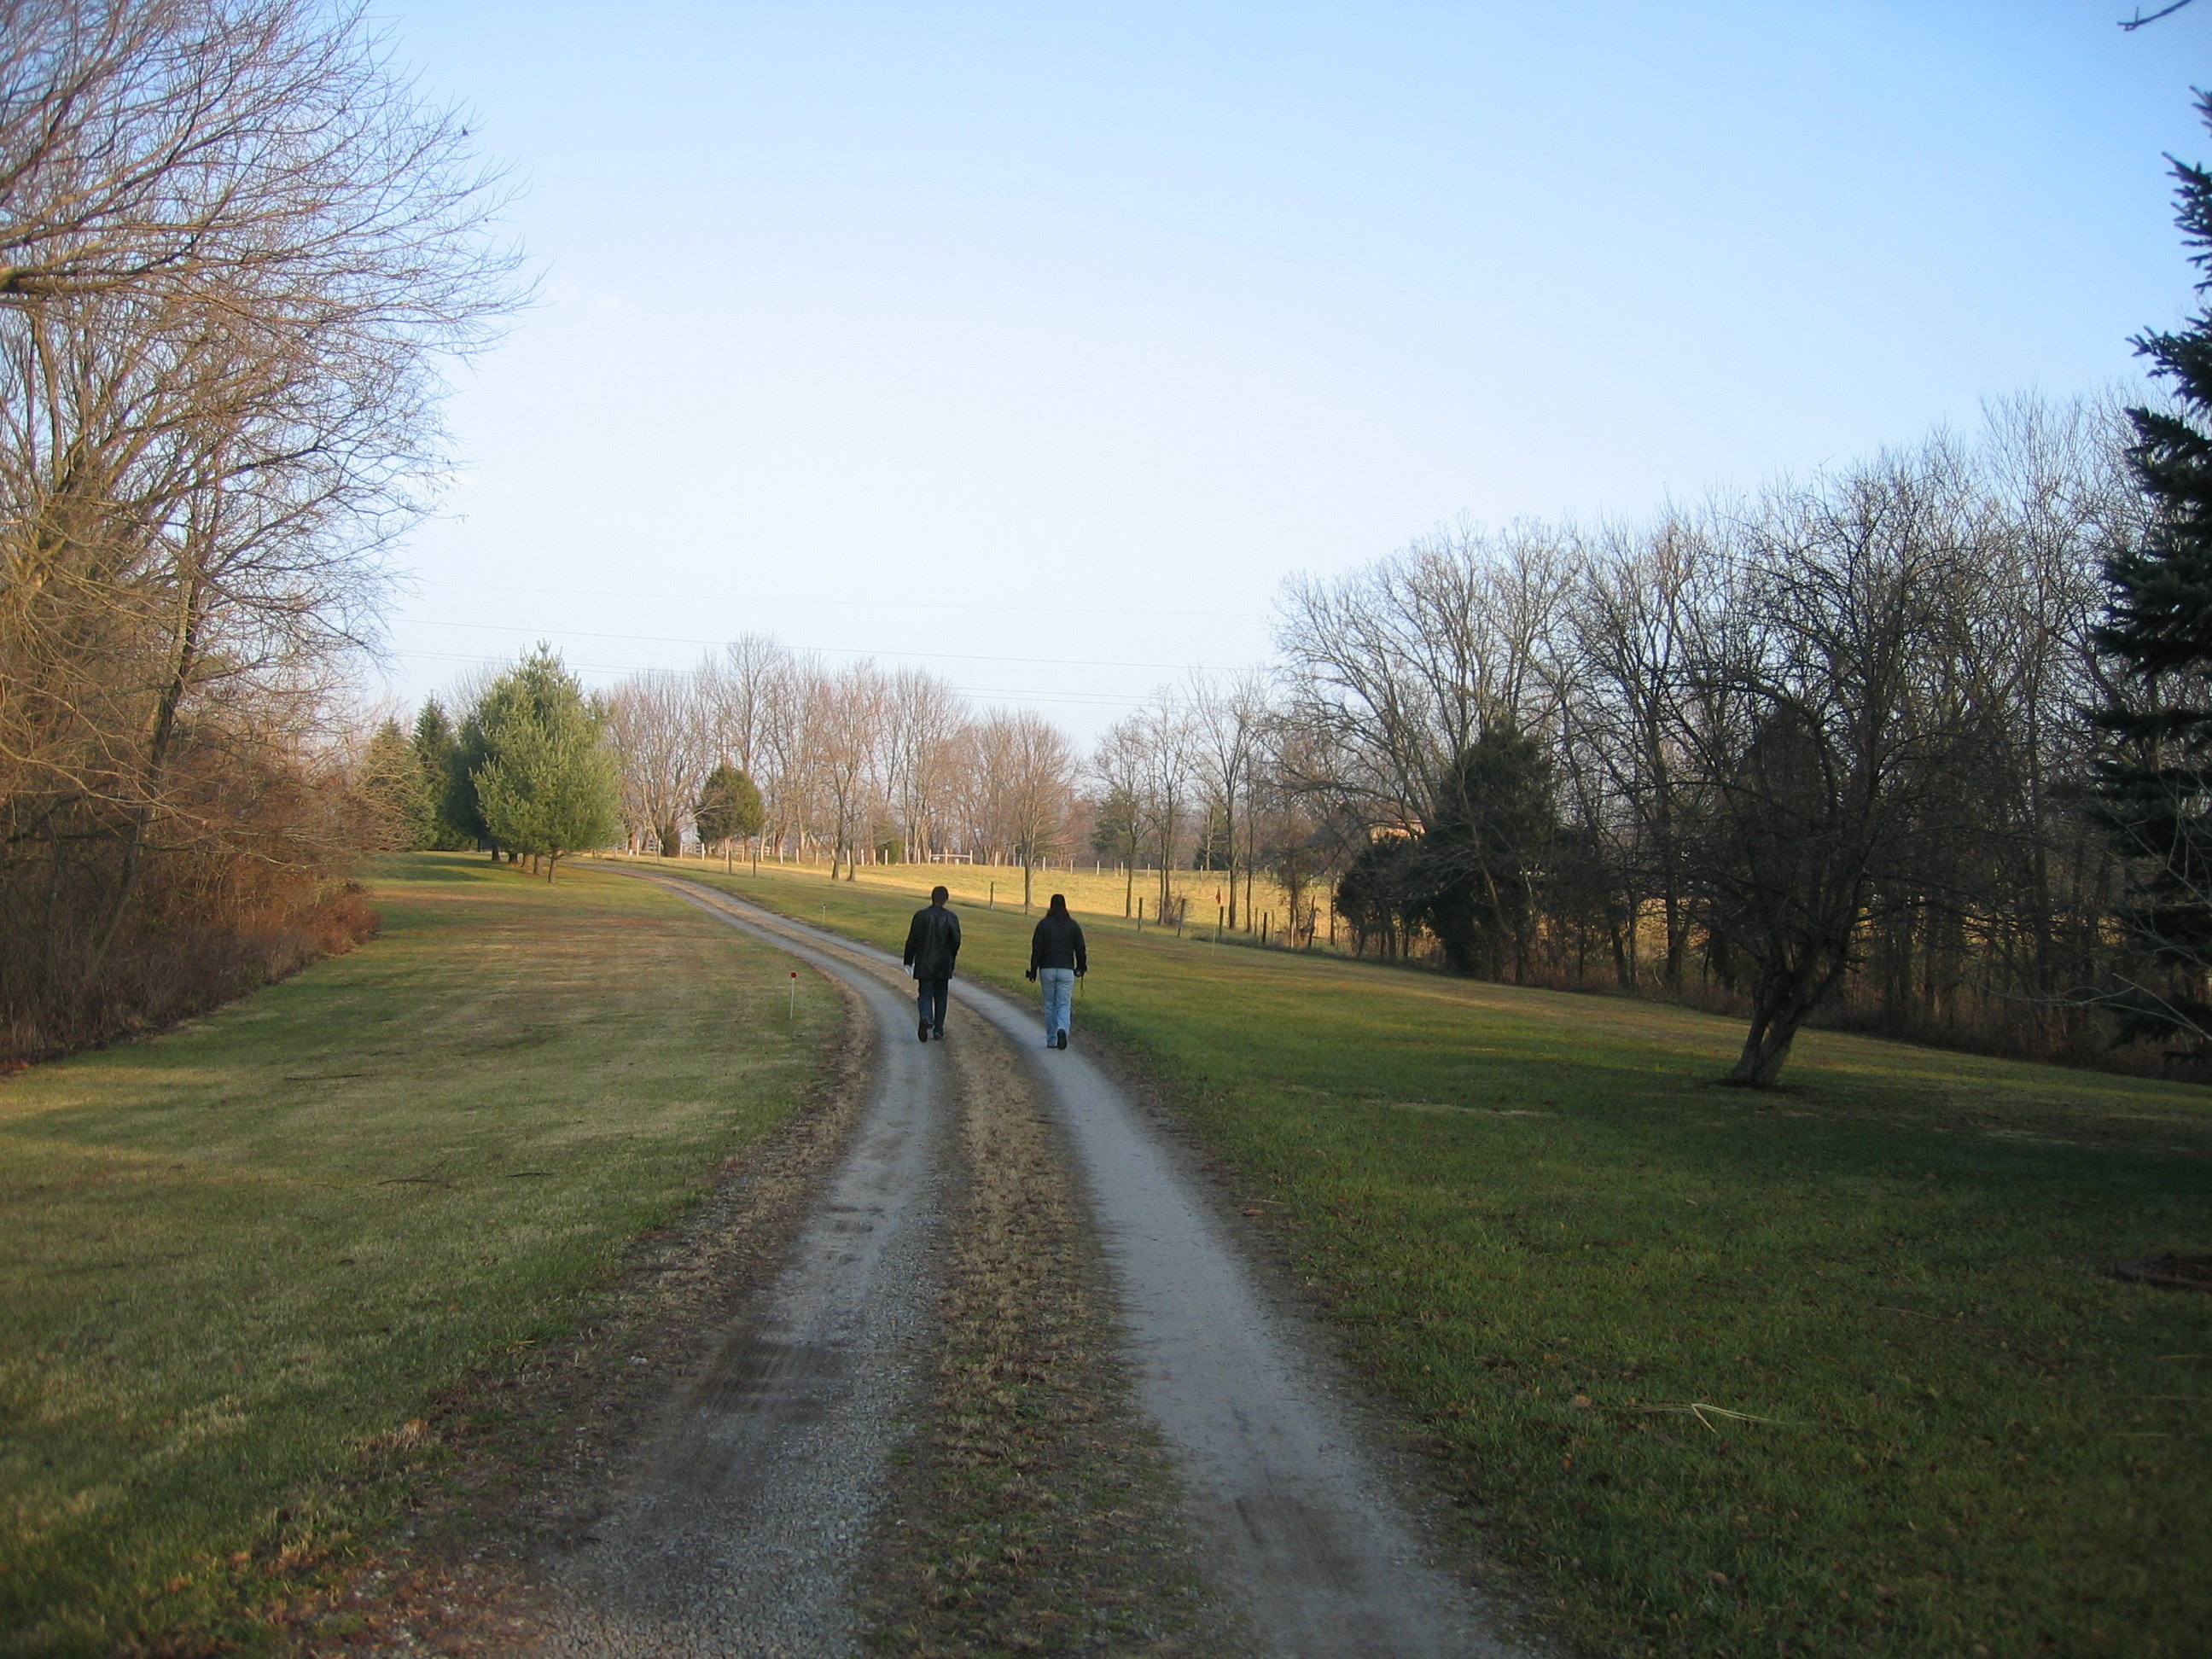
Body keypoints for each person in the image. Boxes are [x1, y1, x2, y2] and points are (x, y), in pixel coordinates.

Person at [1026, 893, 1086, 1050]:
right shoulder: (1073, 925)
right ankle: (1062, 1029)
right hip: (1066, 970)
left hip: (1047, 969)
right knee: (1064, 1003)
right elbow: (1080, 949)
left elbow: (1037, 950)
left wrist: (1033, 970)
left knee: (1050, 1004)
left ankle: (1052, 1039)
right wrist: (1081, 967)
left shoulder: (1043, 925)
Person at [902, 885, 961, 1042]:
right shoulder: (951, 918)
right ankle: (939, 1030)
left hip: (924, 963)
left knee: (925, 994)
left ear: (932, 897)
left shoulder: (920, 916)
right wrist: (952, 958)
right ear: (946, 899)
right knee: (941, 997)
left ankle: (926, 1017)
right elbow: (956, 941)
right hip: (943, 964)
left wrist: (908, 960)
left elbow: (912, 940)